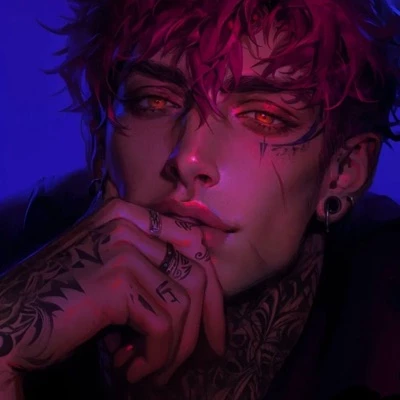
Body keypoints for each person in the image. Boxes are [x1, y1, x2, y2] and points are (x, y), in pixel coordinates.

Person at [1, 0, 400, 399]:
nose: (188, 158)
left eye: (264, 116)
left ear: (343, 170)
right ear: (97, 134)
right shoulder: (13, 243)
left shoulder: (384, 304)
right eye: (153, 101)